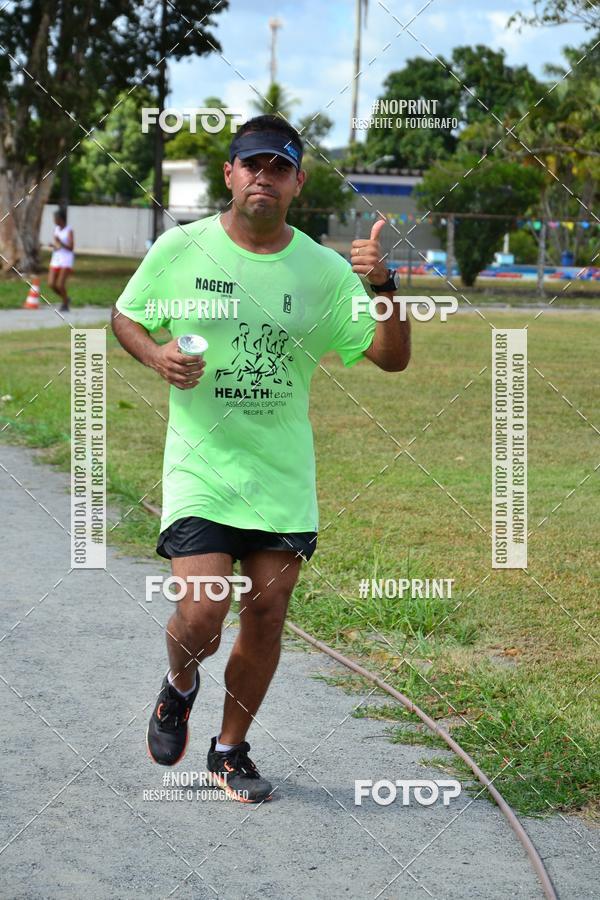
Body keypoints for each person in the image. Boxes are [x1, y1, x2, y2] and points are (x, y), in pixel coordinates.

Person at [111, 114, 410, 803]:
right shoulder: (181, 248)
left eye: (279, 167)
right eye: (252, 164)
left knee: (267, 615)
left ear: (298, 182)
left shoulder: (325, 270)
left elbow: (391, 358)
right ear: (230, 173)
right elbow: (126, 315)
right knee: (202, 614)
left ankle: (229, 749)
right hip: (202, 468)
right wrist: (155, 355)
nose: (263, 177)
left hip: (281, 478)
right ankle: (180, 681)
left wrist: (386, 288)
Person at [48, 208, 75, 312]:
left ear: (61, 219)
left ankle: (65, 304)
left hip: (66, 260)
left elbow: (71, 247)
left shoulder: (69, 230)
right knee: (51, 284)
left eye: (55, 218)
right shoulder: (56, 229)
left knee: (60, 284)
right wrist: (53, 245)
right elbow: (57, 246)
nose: (54, 220)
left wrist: (61, 242)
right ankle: (66, 299)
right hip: (56, 258)